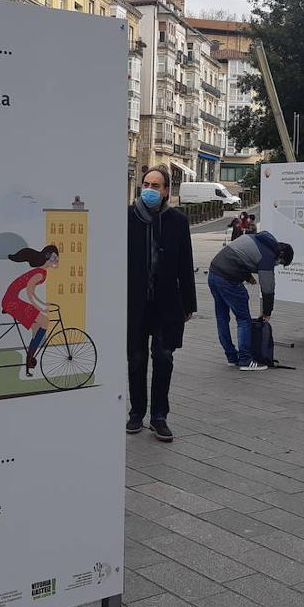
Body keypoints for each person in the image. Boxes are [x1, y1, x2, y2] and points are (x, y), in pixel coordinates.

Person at [127, 167, 196, 442]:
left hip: (167, 303)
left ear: (166, 190)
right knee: (136, 359)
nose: (150, 190)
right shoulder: (128, 218)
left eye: (156, 186)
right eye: (146, 184)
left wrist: (189, 302)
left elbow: (186, 264)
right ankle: (136, 412)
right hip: (135, 303)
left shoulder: (178, 221)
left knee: (164, 357)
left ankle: (159, 416)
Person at [208, 230, 293, 371]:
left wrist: (247, 276)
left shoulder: (258, 239)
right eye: (281, 263)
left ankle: (231, 357)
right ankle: (245, 360)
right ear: (281, 255)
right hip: (228, 279)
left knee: (222, 318)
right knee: (244, 320)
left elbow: (241, 256)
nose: (277, 264)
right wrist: (267, 312)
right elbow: (268, 289)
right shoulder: (268, 256)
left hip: (213, 273)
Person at [1, 245, 60, 371]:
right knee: (45, 321)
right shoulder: (39, 274)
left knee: (37, 326)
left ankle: (29, 359)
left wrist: (43, 304)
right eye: (55, 257)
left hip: (11, 299)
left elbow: (31, 292)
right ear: (48, 257)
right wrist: (41, 307)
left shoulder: (42, 272)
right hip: (11, 301)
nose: (57, 260)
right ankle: (30, 357)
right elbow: (29, 292)